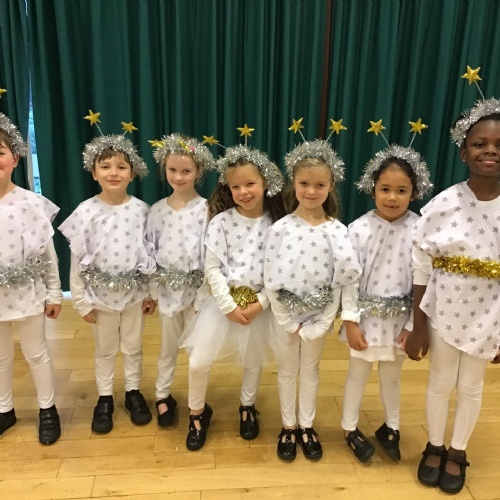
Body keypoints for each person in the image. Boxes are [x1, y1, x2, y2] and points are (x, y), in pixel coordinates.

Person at [407, 70, 500, 494]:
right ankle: (435, 444)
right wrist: (418, 325)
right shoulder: (444, 204)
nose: (490, 150)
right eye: (480, 144)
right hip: (444, 309)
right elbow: (422, 267)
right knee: (441, 382)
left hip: (490, 315)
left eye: (498, 145)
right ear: (464, 151)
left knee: (471, 385)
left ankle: (458, 450)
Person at [181, 143, 285, 451]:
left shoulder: (277, 224)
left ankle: (247, 406)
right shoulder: (221, 222)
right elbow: (212, 269)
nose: (243, 192)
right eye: (235, 186)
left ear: (265, 182)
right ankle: (197, 413)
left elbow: (279, 271)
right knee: (198, 362)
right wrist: (227, 305)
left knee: (253, 360)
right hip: (222, 304)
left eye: (250, 183)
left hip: (259, 305)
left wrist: (260, 303)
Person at [264, 139, 362, 461]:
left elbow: (342, 280)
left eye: (320, 185)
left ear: (331, 185)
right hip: (285, 319)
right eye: (304, 183)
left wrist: (322, 322)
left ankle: (306, 425)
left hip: (319, 317)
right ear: (293, 182)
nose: (311, 191)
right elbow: (270, 278)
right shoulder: (280, 229)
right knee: (286, 370)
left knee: (310, 370)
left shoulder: (338, 231)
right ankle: (288, 426)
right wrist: (287, 321)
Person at [59, 132, 157, 434]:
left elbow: (149, 253)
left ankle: (133, 392)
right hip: (99, 297)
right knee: (105, 349)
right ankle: (104, 397)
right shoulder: (86, 211)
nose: (113, 172)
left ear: (132, 173)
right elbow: (77, 259)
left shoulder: (142, 210)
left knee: (133, 346)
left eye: (121, 167)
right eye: (105, 166)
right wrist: (80, 300)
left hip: (134, 294)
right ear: (94, 172)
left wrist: (151, 292)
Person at [340, 142, 432, 462]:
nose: (392, 197)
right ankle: (349, 427)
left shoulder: (419, 230)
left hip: (400, 324)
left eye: (401, 190)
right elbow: (349, 279)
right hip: (364, 321)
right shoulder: (358, 230)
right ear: (373, 189)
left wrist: (413, 325)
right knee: (358, 374)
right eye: (385, 189)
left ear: (414, 192)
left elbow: (423, 280)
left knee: (392, 375)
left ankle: (392, 427)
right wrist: (350, 322)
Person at [0, 112, 63, 445]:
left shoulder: (31, 204)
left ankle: (47, 409)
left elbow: (48, 255)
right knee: (0, 357)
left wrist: (54, 294)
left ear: (14, 158)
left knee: (36, 352)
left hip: (27, 292)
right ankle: (4, 409)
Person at [147, 134, 214, 427]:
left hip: (198, 293)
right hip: (167, 292)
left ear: (198, 171)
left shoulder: (207, 209)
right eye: (172, 170)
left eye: (186, 170)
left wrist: (204, 294)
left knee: (197, 351)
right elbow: (150, 251)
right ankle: (162, 395)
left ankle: (197, 403)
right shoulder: (157, 210)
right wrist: (152, 292)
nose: (178, 176)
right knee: (168, 346)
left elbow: (211, 254)